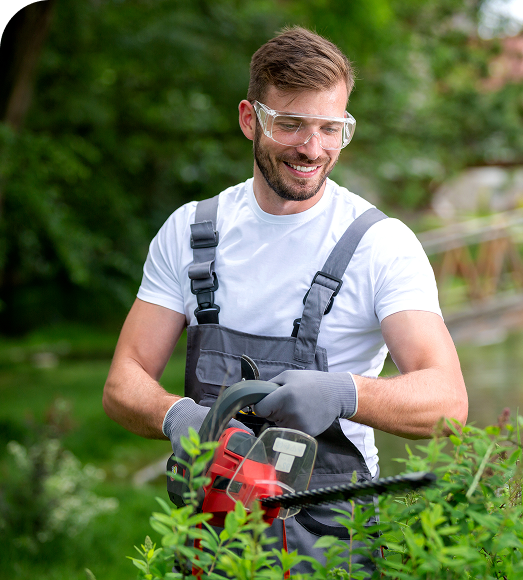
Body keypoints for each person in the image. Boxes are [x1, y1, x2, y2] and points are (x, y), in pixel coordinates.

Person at [102, 25, 468, 574]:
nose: (312, 148)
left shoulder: (379, 244)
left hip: (335, 541)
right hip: (212, 535)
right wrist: (179, 417)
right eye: (291, 124)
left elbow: (448, 404)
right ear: (251, 119)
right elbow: (122, 383)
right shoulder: (190, 232)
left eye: (330, 128)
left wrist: (345, 393)